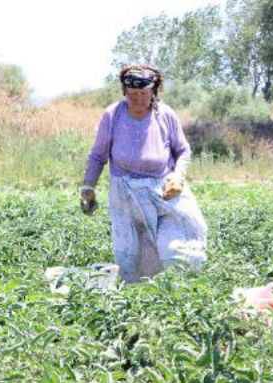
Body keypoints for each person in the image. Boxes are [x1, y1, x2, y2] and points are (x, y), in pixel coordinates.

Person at [79, 64, 207, 283]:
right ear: (124, 92)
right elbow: (98, 155)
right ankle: (139, 303)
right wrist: (88, 187)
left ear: (153, 92)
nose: (138, 99)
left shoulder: (165, 114)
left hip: (164, 193)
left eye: (143, 94)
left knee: (177, 253)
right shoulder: (113, 115)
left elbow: (183, 150)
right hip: (126, 197)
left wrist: (178, 175)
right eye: (132, 94)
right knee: (132, 258)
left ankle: (180, 293)